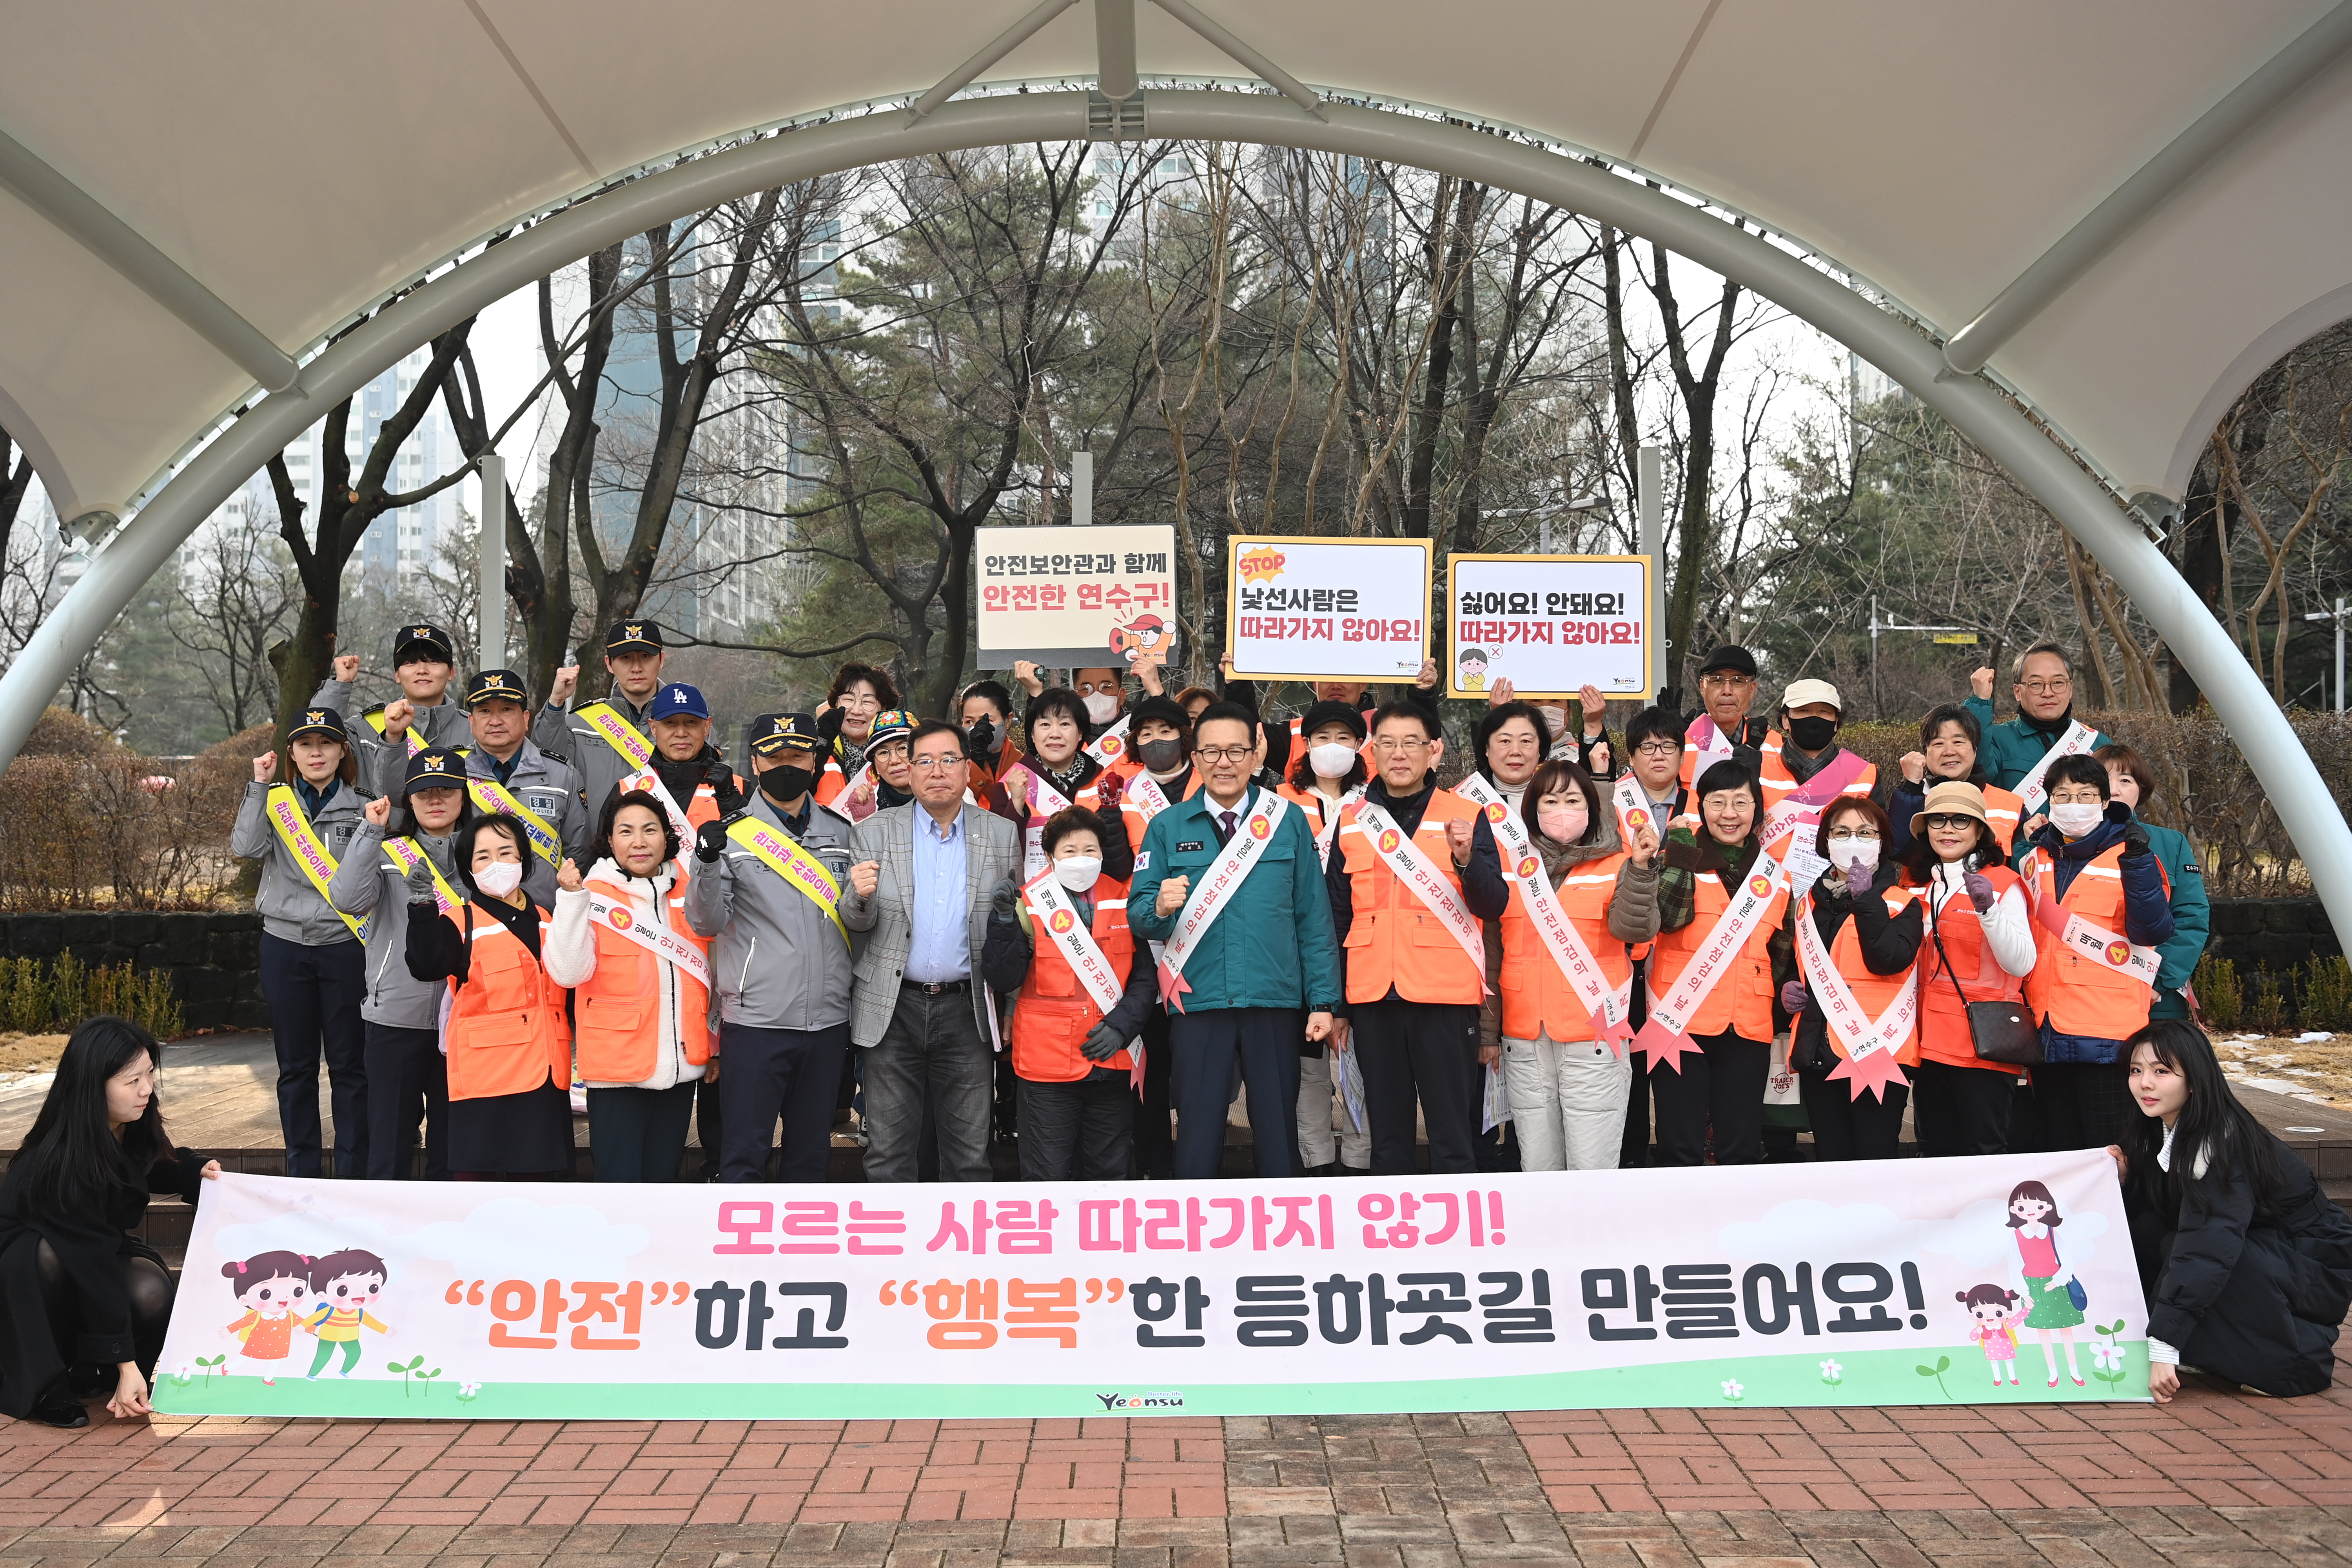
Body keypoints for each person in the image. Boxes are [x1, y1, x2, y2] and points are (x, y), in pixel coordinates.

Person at [1129, 703, 1341, 1179]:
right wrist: (1159, 908)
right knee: (1198, 1137)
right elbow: (1139, 916)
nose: (1224, 762)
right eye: (1211, 751)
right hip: (1198, 1002)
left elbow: (1313, 917)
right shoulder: (1166, 827)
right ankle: (1195, 1237)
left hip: (1273, 999)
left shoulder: (1286, 820)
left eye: (1235, 751)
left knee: (1277, 1134)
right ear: (1196, 756)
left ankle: (1283, 1239)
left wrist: (1324, 1000)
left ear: (1254, 753)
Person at [0, 1018, 221, 1427]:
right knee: (48, 1256)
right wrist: (127, 1361)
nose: (146, 1089)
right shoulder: (60, 1160)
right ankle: (46, 1383)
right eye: (131, 1080)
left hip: (92, 1249)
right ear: (93, 1086)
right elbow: (91, 1263)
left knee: (150, 1288)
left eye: (149, 1074)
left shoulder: (125, 1125)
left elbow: (151, 1165)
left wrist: (196, 1171)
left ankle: (90, 1368)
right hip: (24, 1274)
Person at [2122, 1020, 2352, 1401]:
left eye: (2162, 1071)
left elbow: (2208, 1245)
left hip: (2315, 1264)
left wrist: (2163, 1343)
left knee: (2200, 1250)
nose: (2145, 1083)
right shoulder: (2161, 1129)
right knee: (2150, 1231)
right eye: (2136, 1070)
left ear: (2194, 1079)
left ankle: (2287, 1362)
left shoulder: (2220, 1140)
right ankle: (2199, 1346)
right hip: (2269, 1248)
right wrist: (2126, 1175)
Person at [1324, 701, 1509, 1176]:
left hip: (1445, 998)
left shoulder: (1466, 815)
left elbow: (1493, 905)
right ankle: (1395, 1240)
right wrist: (1338, 1006)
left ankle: (1460, 1243)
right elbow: (1336, 917)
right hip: (1372, 997)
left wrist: (1467, 859)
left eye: (1411, 743)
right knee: (1388, 1137)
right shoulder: (1352, 820)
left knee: (1453, 1133)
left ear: (1434, 751)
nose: (1399, 753)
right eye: (1387, 742)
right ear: (1373, 751)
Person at [840, 721, 1022, 1181]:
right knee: (887, 1153)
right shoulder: (874, 832)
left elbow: (1016, 929)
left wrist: (1013, 1005)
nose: (936, 771)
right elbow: (857, 922)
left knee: (969, 1155)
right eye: (924, 761)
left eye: (949, 760)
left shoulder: (1000, 834)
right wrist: (857, 897)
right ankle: (892, 1251)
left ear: (966, 768)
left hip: (968, 1007)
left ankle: (965, 1252)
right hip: (892, 1006)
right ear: (908, 769)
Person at [681, 713, 858, 1183]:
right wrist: (704, 861)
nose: (787, 765)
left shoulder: (842, 834)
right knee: (744, 1154)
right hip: (756, 1020)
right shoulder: (732, 833)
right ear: (755, 763)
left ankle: (804, 1249)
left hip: (827, 1020)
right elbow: (706, 920)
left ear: (815, 759)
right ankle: (742, 1254)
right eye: (774, 755)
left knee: (810, 1155)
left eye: (798, 755)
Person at [1483, 760, 1660, 1171]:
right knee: (1538, 1166)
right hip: (1525, 1036)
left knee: (1591, 1166)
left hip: (1594, 1034)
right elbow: (1493, 953)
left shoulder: (1620, 861)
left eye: (1572, 799)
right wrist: (1488, 1032)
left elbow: (1634, 929)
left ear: (1591, 808)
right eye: (1550, 800)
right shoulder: (1510, 867)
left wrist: (1640, 869)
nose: (1562, 809)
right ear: (1533, 810)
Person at [227, 707, 370, 1180]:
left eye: (326, 743)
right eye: (306, 744)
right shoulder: (276, 801)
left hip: (345, 945)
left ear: (341, 750)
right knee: (296, 1068)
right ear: (291, 753)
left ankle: (352, 1172)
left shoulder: (364, 806)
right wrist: (259, 786)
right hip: (285, 945)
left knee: (350, 1066)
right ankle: (303, 1172)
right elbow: (246, 848)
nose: (316, 753)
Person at [547, 793, 713, 1183]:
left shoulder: (690, 890)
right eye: (626, 831)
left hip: (681, 1067)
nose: (639, 842)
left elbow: (712, 976)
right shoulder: (590, 894)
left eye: (650, 830)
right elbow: (568, 973)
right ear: (609, 840)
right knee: (619, 1186)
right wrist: (571, 901)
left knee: (663, 1178)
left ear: (667, 837)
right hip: (617, 1070)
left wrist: (714, 1047)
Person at [982, 807, 1156, 1180]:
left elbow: (1145, 977)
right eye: (1070, 850)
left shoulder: (1125, 897)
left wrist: (1122, 1027)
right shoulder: (1028, 902)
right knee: (1047, 1175)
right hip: (1048, 1069)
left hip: (1111, 1061)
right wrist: (1002, 922)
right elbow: (1004, 976)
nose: (1082, 859)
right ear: (1050, 857)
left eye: (1090, 850)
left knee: (1109, 1175)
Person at [405, 814, 574, 1181]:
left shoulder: (547, 920)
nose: (496, 863)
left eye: (506, 852)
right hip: (485, 1091)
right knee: (484, 1201)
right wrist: (421, 908)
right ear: (469, 869)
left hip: (545, 1084)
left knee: (545, 1196)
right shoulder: (459, 921)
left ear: (524, 861)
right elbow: (426, 964)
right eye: (482, 856)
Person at [2018, 755, 2174, 1151]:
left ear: (2105, 801)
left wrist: (2138, 865)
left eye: (2085, 795)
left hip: (2106, 1033)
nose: (2073, 804)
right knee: (2062, 1152)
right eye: (2062, 795)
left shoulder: (2133, 855)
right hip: (2047, 1027)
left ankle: (2127, 1216)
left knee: (2112, 1153)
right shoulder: (2036, 859)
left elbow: (2153, 929)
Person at [330, 748, 471, 1180]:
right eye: (423, 792)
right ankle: (384, 1242)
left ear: (463, 797)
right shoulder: (389, 851)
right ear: (408, 799)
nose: (435, 800)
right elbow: (348, 900)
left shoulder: (483, 855)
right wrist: (370, 832)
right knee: (388, 1145)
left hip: (465, 1020)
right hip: (394, 1019)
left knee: (454, 1146)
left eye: (446, 790)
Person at [1646, 761, 1794, 1167]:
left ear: (1757, 809)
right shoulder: (1677, 856)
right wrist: (1678, 853)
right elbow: (1669, 917)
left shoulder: (1776, 877)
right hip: (1680, 1022)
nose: (1729, 814)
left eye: (1741, 803)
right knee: (1680, 1146)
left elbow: (1782, 953)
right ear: (1702, 806)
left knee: (1741, 1147)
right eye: (1718, 802)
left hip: (1747, 1026)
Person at [1900, 781, 2036, 1158]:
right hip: (1925, 1046)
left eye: (1961, 820)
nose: (1948, 829)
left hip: (1982, 1046)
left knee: (1982, 1153)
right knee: (1935, 1151)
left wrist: (1988, 911)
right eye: (1938, 820)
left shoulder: (2004, 884)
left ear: (1980, 832)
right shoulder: (1914, 884)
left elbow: (2022, 962)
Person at [1782, 798, 1922, 1161]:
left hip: (1877, 1048)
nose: (1853, 841)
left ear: (1882, 842)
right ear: (1826, 842)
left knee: (1874, 1160)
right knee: (1833, 1159)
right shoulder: (1806, 904)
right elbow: (1796, 967)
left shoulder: (1902, 903)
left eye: (1865, 833)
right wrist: (1788, 991)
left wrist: (1866, 899)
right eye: (1842, 832)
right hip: (1819, 1051)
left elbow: (1887, 959)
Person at [376, 669, 590, 908]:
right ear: (471, 721)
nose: (495, 721)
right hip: (472, 920)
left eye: (507, 710)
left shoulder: (562, 775)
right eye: (485, 711)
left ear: (526, 718)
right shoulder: (451, 771)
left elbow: (578, 854)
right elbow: (395, 800)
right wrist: (394, 739)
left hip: (545, 918)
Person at [1279, 699, 1372, 1175]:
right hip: (1297, 952)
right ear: (1306, 744)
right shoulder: (1278, 802)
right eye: (1321, 739)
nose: (1332, 748)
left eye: (1343, 739)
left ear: (1360, 747)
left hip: (1362, 945)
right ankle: (1316, 1159)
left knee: (1360, 1061)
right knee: (1307, 1066)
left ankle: (1360, 1159)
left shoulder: (1375, 804)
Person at [2097, 742, 2211, 1024]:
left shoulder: (2171, 843)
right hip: (2085, 996)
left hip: (2156, 1000)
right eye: (2104, 780)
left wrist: (2158, 984)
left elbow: (2191, 917)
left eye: (2125, 780)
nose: (2114, 790)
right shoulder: (2062, 844)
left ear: (2141, 790)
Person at [1964, 643, 2114, 830]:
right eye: (2036, 684)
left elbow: (2119, 807)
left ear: (2071, 688)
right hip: (2018, 854)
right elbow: (1973, 769)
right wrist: (1981, 701)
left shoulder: (2098, 743)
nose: (2048, 692)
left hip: (2088, 855)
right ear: (2018, 692)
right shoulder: (1997, 739)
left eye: (2058, 683)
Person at [534, 620, 673, 818]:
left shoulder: (688, 723)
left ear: (661, 659)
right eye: (625, 658)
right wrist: (556, 703)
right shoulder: (581, 723)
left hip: (672, 845)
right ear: (609, 664)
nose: (636, 668)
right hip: (598, 846)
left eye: (645, 657)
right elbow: (546, 765)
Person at [996, 688, 1132, 882]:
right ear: (1033, 735)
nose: (1055, 734)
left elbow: (1120, 869)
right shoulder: (1010, 785)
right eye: (1045, 724)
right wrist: (1016, 805)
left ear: (1080, 734)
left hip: (1095, 904)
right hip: (1032, 903)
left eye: (1065, 724)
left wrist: (1110, 812)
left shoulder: (1106, 784)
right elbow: (997, 861)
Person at [314, 623, 467, 773]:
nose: (422, 670)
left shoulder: (476, 728)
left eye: (433, 661)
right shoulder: (365, 728)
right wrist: (341, 684)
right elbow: (317, 735)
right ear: (397, 675)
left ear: (451, 672)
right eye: (411, 663)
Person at [1758, 679, 1877, 862]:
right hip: (1768, 887)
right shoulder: (1758, 771)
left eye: (1824, 712)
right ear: (1785, 720)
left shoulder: (1866, 774)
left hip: (1842, 887)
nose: (1814, 719)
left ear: (1836, 723)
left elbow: (1878, 842)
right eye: (1803, 711)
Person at [1885, 704, 2024, 860]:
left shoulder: (2011, 806)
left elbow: (2021, 867)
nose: (1949, 752)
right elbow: (1897, 851)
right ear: (1925, 752)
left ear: (1975, 750)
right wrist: (1910, 787)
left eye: (1958, 742)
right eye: (1939, 744)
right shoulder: (1913, 799)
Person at [1676, 645, 1774, 803]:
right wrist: (1665, 740)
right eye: (1717, 680)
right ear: (1703, 687)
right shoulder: (1680, 743)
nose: (1727, 690)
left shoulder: (1775, 745)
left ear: (1752, 690)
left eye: (1738, 681)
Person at [815, 662, 902, 809]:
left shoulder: (900, 755)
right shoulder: (815, 749)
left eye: (868, 702)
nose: (856, 711)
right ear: (835, 704)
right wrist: (822, 742)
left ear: (884, 709)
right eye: (849, 700)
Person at [828, 708, 918, 826]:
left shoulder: (946, 796)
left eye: (903, 748)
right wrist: (864, 821)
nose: (894, 761)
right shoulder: (866, 804)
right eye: (884, 753)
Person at [958, 680, 1023, 802]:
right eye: (970, 722)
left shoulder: (1023, 765)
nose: (979, 730)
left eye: (988, 721)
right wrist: (976, 762)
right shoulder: (952, 766)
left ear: (1008, 721)